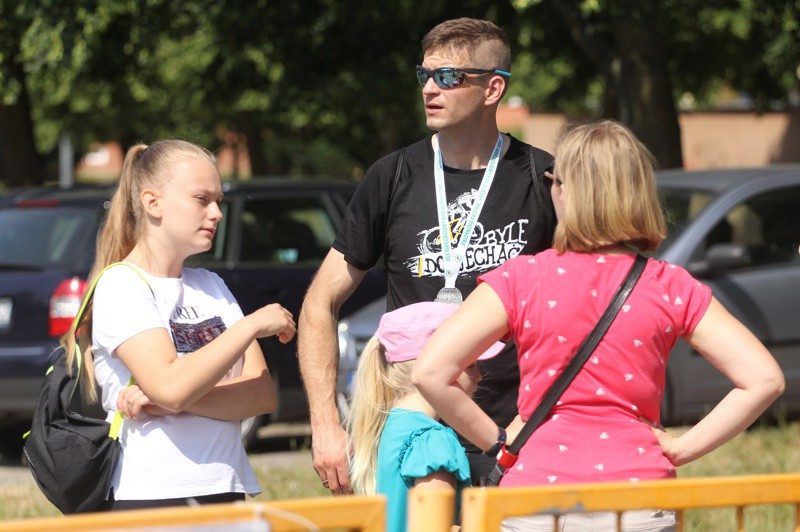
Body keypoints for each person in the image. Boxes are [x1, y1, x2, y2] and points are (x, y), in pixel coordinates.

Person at [413, 121, 785, 531]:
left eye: (554, 179)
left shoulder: (520, 279)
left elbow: (431, 371)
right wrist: (680, 449)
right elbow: (764, 379)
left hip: (536, 502)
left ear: (566, 189)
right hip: (640, 500)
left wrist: (499, 442)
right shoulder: (668, 285)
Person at [298, 17, 556, 494]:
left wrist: (536, 417)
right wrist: (325, 423)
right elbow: (320, 303)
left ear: (493, 88)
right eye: (425, 76)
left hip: (515, 435)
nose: (430, 89)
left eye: (450, 77)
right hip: (415, 436)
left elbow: (576, 311)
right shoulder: (392, 175)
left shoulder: (542, 177)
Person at [67, 140, 296, 510]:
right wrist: (249, 326)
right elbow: (172, 385)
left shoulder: (211, 286)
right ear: (152, 202)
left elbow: (260, 395)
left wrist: (167, 402)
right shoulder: (121, 284)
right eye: (201, 199)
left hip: (225, 490)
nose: (217, 213)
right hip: (153, 498)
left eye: (218, 200)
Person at [347, 301, 503, 532]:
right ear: (434, 366)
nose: (479, 376)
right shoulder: (433, 440)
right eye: (470, 365)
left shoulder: (393, 424)